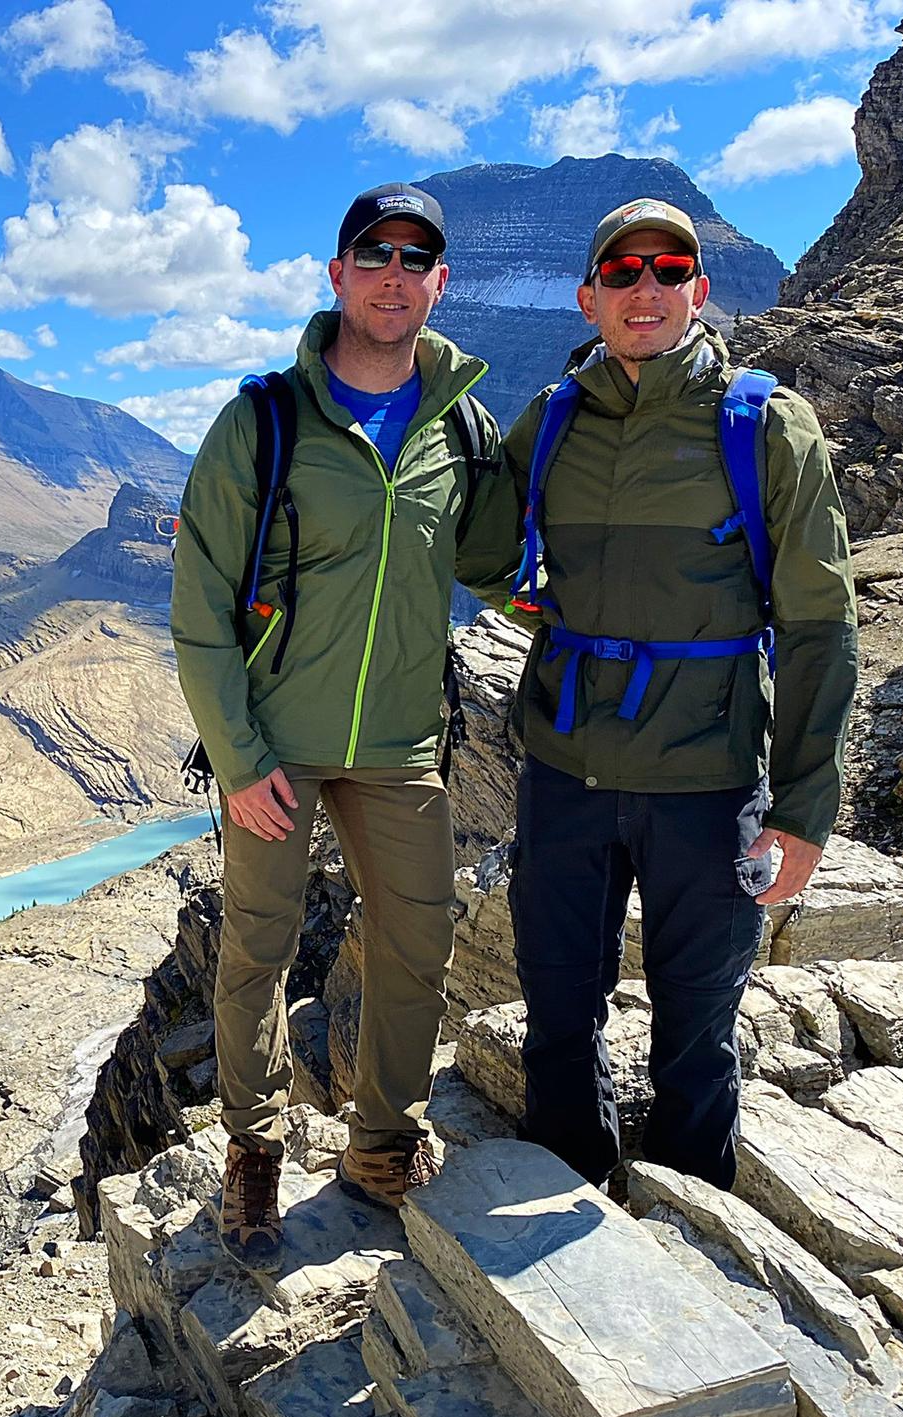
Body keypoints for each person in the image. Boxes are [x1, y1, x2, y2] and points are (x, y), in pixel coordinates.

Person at [170, 183, 521, 1268]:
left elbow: (495, 565)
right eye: (372, 253)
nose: (393, 272)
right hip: (276, 745)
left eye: (416, 257)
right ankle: (254, 1155)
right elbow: (197, 606)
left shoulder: (459, 425)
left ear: (438, 282)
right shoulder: (262, 422)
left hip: (403, 744)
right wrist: (237, 758)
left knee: (414, 943)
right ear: (335, 275)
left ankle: (381, 1145)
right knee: (256, 955)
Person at [497, 198, 859, 1192]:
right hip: (564, 774)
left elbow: (820, 625)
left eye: (666, 271)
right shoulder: (553, 417)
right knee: (557, 1015)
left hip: (706, 779)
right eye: (621, 274)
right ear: (589, 299)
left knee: (695, 1026)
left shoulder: (761, 425)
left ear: (698, 292)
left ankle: (691, 1218)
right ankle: (563, 1218)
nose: (643, 289)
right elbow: (479, 539)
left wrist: (800, 812)